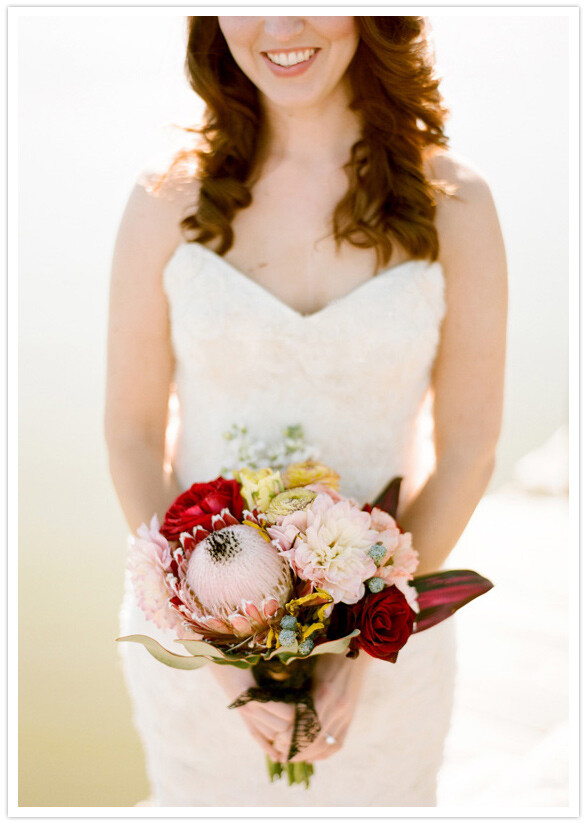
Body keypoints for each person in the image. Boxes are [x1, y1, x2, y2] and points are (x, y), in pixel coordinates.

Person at [105, 15, 507, 807]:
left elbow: (467, 449)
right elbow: (129, 434)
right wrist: (213, 646)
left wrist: (361, 643)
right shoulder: (165, 200)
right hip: (198, 665)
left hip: (388, 655)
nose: (279, 24)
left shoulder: (454, 204)